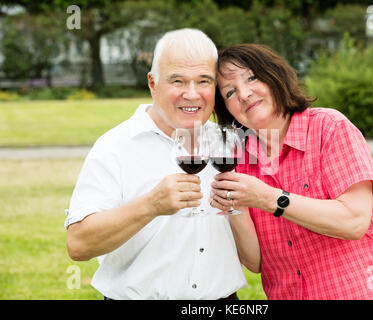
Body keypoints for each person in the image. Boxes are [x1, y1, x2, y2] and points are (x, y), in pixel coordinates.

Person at [210, 43, 373, 300]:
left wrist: (270, 198)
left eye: (252, 78)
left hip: (364, 292)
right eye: (229, 92)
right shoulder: (239, 160)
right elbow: (256, 263)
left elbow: (355, 222)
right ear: (228, 109)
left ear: (274, 77)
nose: (244, 94)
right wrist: (233, 207)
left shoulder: (329, 128)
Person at [64, 28, 247, 300]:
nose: (192, 94)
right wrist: (151, 205)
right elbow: (78, 244)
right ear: (152, 83)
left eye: (204, 81)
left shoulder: (226, 143)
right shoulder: (116, 146)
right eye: (178, 81)